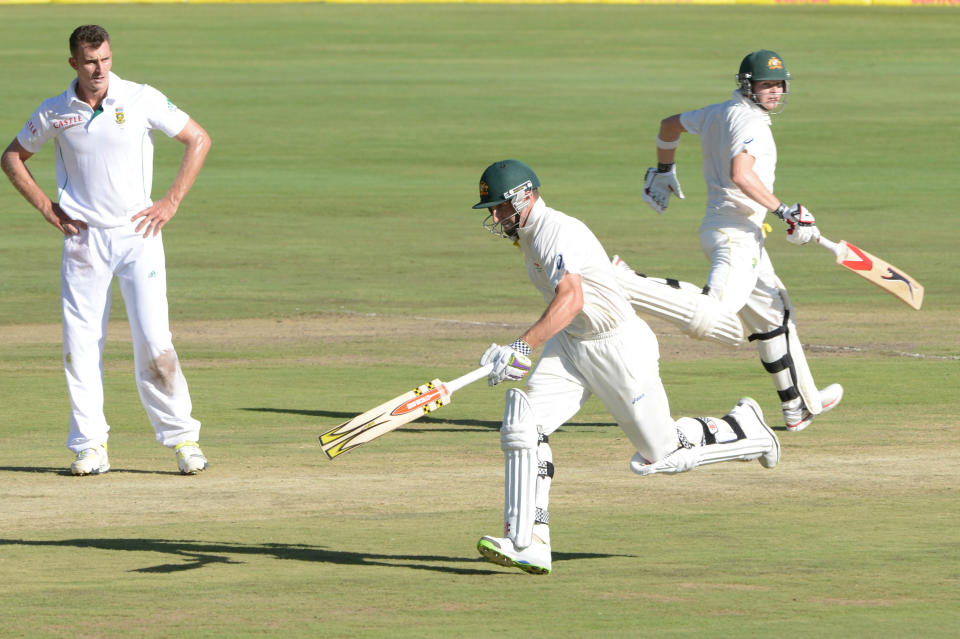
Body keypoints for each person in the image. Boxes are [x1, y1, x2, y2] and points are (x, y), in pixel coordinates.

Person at [471, 159, 781, 575]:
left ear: (525, 196)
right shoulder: (528, 234)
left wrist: (522, 347)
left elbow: (571, 298)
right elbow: (570, 308)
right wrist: (517, 352)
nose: (495, 216)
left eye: (499, 207)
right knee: (523, 426)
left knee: (660, 455)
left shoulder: (554, 230)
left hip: (618, 348)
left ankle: (745, 430)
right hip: (573, 343)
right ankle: (529, 542)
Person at [1, 25, 211, 476]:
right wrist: (45, 206)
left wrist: (170, 201)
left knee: (155, 341)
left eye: (106, 60)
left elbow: (198, 138)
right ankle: (90, 447)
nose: (99, 70)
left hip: (139, 236)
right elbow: (12, 157)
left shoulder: (140, 98)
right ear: (74, 63)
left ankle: (182, 441)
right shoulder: (56, 111)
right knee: (80, 345)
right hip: (83, 240)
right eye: (90, 62)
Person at [614, 49, 842, 432]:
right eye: (765, 85)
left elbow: (668, 125)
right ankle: (623, 282)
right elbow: (742, 174)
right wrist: (785, 211)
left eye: (778, 84)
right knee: (713, 315)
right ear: (747, 86)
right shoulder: (749, 122)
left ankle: (798, 406)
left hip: (735, 231)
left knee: (775, 316)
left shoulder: (718, 112)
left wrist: (664, 169)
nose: (773, 92)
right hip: (734, 235)